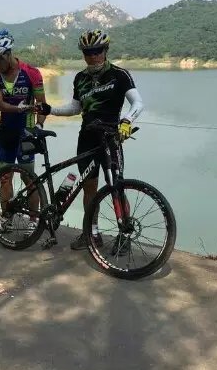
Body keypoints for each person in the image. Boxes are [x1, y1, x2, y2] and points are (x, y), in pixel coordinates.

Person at [38, 29, 143, 249]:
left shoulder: (119, 75)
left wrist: (126, 121)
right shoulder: (80, 78)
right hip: (86, 139)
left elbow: (137, 103)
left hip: (111, 139)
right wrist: (51, 110)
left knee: (116, 185)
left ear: (106, 50)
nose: (93, 56)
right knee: (89, 188)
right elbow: (75, 108)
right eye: (88, 52)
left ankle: (125, 235)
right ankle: (92, 234)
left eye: (97, 51)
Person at [0, 29, 47, 229]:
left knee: (29, 179)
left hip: (26, 132)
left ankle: (33, 221)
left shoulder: (32, 73)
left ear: (7, 54)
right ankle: (7, 219)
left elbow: (42, 105)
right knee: (5, 178)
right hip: (6, 132)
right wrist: (19, 108)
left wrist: (38, 126)